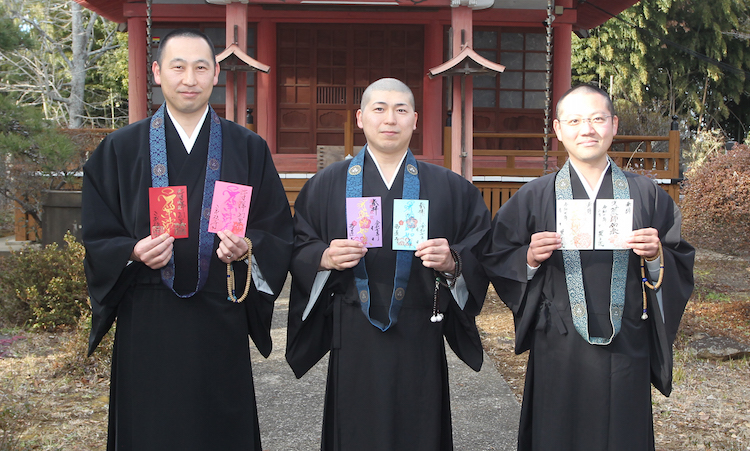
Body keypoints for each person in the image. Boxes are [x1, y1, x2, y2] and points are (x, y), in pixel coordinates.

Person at [81, 29, 293, 450]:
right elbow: (98, 232)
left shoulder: (247, 147)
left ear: (215, 74)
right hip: (147, 315)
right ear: (158, 73)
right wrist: (131, 251)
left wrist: (248, 246)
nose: (189, 78)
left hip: (220, 310)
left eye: (201, 67)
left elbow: (276, 227)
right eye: (178, 66)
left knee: (219, 427)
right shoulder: (120, 148)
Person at [481, 84, 695, 450]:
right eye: (576, 120)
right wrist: (529, 258)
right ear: (558, 129)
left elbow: (679, 260)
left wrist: (656, 256)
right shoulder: (534, 196)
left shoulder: (646, 194)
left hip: (628, 339)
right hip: (558, 341)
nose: (588, 129)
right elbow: (497, 257)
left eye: (597, 119)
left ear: (613, 125)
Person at [286, 78, 491, 450]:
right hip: (353, 332)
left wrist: (451, 262)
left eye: (400, 110)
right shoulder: (325, 184)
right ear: (361, 118)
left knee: (420, 429)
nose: (389, 119)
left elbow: (479, 248)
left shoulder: (451, 187)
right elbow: (299, 244)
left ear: (415, 120)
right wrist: (324, 257)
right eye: (379, 109)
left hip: (419, 332)